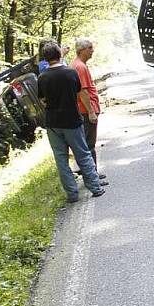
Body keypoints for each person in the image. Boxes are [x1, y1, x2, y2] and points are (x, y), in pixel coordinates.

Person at [37, 42, 105, 202]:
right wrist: (90, 111)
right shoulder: (70, 72)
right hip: (72, 119)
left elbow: (42, 100)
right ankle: (95, 188)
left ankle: (72, 194)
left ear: (46, 58)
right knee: (83, 154)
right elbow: (81, 93)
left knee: (61, 159)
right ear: (59, 54)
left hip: (52, 123)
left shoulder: (42, 77)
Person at [71, 38, 106, 181]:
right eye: (90, 48)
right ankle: (92, 177)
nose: (92, 51)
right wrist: (91, 111)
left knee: (87, 143)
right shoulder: (80, 67)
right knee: (89, 144)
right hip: (85, 111)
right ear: (82, 50)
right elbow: (83, 91)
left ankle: (93, 174)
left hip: (85, 109)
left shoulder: (78, 65)